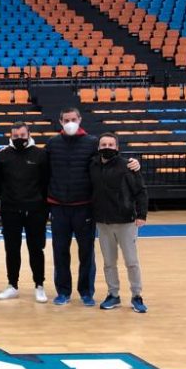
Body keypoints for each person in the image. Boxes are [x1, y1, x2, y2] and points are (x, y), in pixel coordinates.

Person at [45, 108, 140, 307]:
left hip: (84, 208)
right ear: (60, 121)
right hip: (58, 207)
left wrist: (132, 162)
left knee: (86, 252)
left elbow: (108, 161)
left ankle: (86, 292)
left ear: (79, 120)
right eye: (66, 119)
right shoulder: (52, 144)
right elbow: (43, 169)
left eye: (73, 119)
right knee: (60, 251)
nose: (70, 122)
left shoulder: (91, 143)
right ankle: (63, 292)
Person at [0, 122, 49, 303]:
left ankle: (39, 286)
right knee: (12, 249)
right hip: (10, 209)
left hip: (35, 209)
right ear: (11, 136)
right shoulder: (3, 155)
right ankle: (12, 286)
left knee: (36, 249)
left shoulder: (41, 154)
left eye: (22, 135)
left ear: (29, 134)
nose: (19, 138)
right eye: (15, 136)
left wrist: (47, 208)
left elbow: (46, 183)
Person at [90, 133, 148, 313]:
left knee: (131, 261)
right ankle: (113, 294)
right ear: (98, 147)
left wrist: (141, 214)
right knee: (109, 262)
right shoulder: (92, 165)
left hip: (126, 221)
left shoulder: (127, 166)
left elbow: (140, 191)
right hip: (103, 222)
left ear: (117, 147)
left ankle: (136, 295)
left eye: (110, 144)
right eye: (103, 144)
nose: (107, 147)